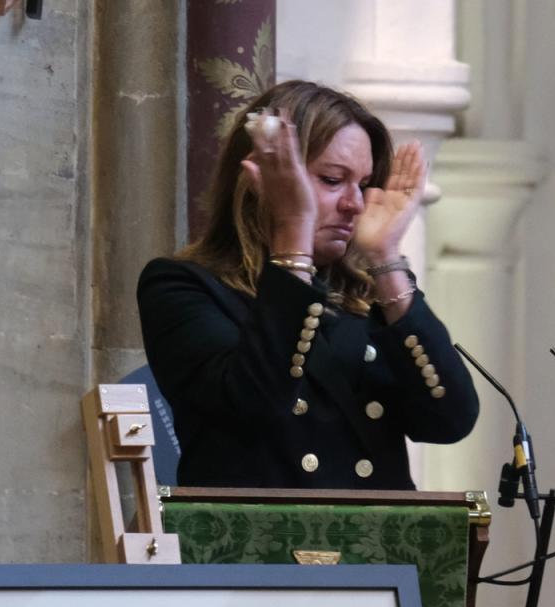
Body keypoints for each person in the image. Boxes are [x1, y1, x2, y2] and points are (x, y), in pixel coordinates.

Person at [137, 80, 479, 490]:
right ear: (260, 179)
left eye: (364, 183)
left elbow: (449, 421)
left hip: (376, 545)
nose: (355, 203)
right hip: (257, 545)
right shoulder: (183, 285)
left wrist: (386, 259)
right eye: (333, 180)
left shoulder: (368, 296)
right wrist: (293, 230)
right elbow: (253, 405)